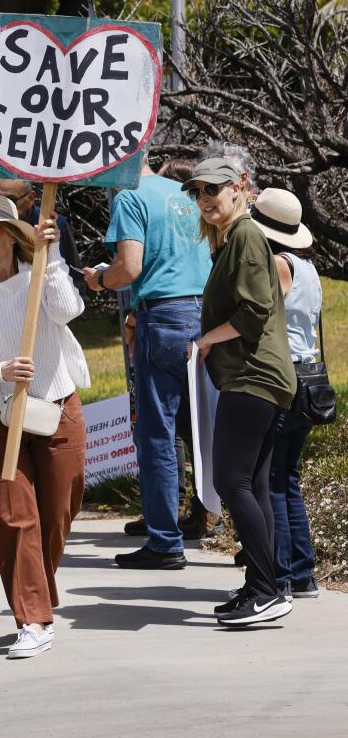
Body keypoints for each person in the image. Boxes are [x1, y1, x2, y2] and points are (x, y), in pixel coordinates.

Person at [0, 194, 89, 658]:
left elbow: (69, 311)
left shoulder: (40, 277)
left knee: (58, 511)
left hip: (56, 405)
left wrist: (53, 258)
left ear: (12, 236)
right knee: (11, 516)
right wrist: (0, 372)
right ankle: (33, 617)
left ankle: (36, 592)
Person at [83, 151, 213, 571]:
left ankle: (164, 541)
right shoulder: (188, 193)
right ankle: (224, 525)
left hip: (163, 319)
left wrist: (100, 279)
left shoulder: (130, 197)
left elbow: (130, 267)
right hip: (205, 316)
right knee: (205, 429)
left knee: (157, 432)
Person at [184, 158, 296, 626]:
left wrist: (206, 339)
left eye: (215, 188)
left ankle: (267, 589)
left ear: (239, 187)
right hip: (256, 376)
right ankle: (265, 584)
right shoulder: (230, 240)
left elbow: (253, 312)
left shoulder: (246, 235)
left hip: (254, 376)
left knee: (232, 480)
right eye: (198, 192)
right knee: (253, 484)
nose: (206, 197)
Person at [251, 189, 322, 600]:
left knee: (272, 479)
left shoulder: (278, 265)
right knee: (287, 477)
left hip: (285, 377)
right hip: (311, 378)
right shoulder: (308, 267)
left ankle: (279, 575)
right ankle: (303, 572)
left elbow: (258, 314)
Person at [0, 178, 86, 297]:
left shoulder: (55, 226)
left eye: (10, 200)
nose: (2, 206)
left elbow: (75, 280)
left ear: (31, 198)